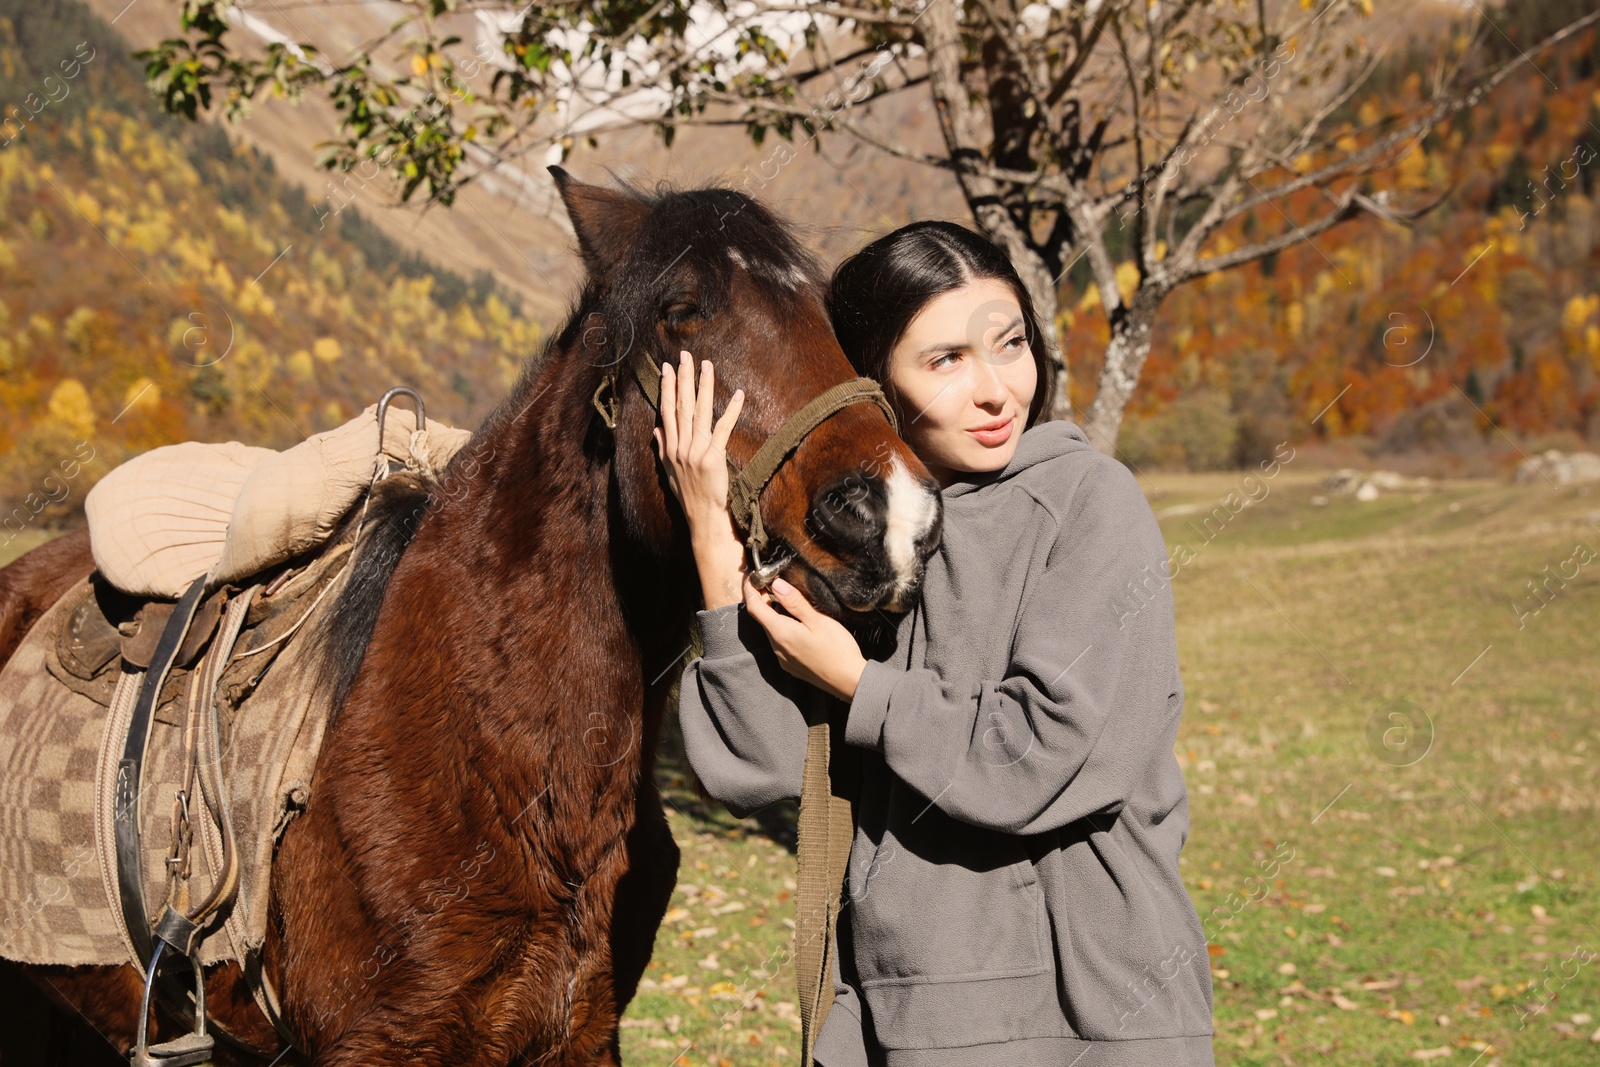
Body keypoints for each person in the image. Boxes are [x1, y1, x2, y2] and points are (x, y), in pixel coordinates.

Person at [654, 220, 1215, 1066]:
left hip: (1085, 1018)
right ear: (872, 382)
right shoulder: (845, 536)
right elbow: (756, 768)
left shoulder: (1089, 503)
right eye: (945, 360)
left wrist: (862, 689)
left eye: (1010, 343)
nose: (995, 389)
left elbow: (1049, 753)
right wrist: (708, 534)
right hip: (892, 1013)